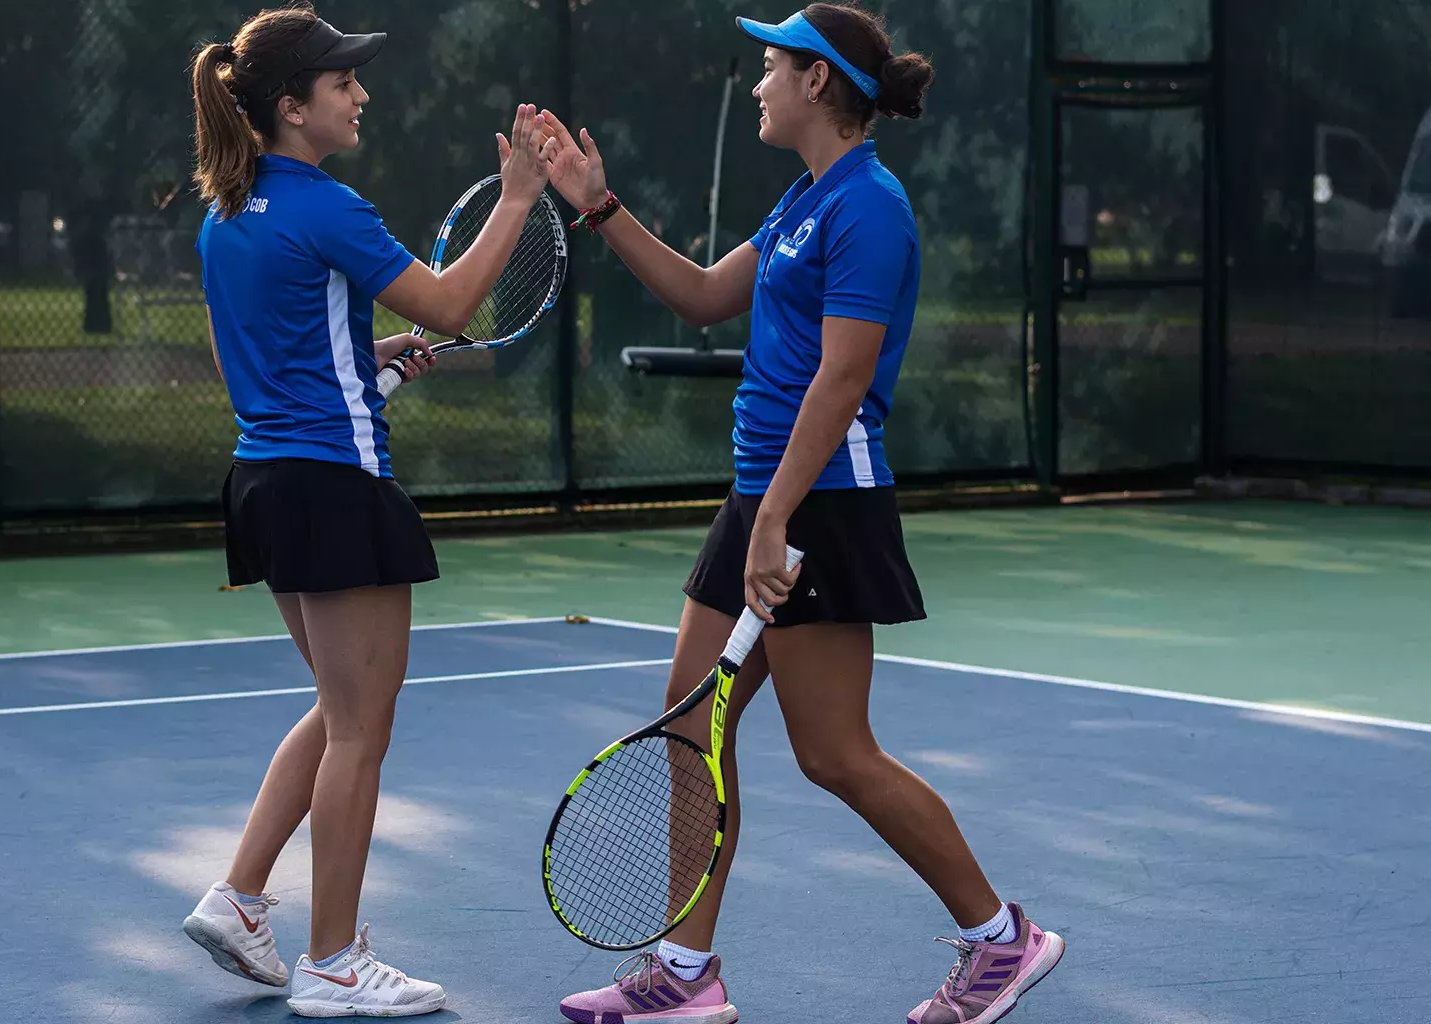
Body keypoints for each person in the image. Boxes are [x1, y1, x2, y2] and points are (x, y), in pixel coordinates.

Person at [539, 5, 1063, 1023]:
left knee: (835, 752)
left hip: (821, 500)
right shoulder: (803, 202)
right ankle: (686, 978)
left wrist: (778, 517)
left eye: (773, 67)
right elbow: (697, 295)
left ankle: (1003, 939)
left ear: (820, 82)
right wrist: (599, 207)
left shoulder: (870, 207)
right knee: (694, 728)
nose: (761, 83)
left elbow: (845, 376)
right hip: (765, 497)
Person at [178, 5, 549, 1017]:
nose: (361, 94)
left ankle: (242, 895)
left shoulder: (226, 214)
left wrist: (363, 359)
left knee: (345, 714)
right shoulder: (325, 204)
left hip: (265, 481)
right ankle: (333, 960)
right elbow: (450, 305)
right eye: (342, 82)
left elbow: (254, 363)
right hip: (334, 484)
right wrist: (516, 199)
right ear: (291, 106)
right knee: (361, 731)